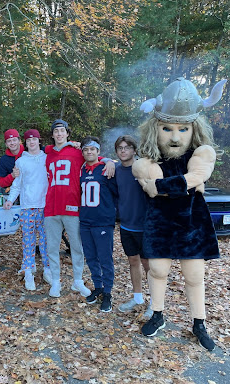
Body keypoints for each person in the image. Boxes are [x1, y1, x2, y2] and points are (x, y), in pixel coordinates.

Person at [132, 77, 226, 351]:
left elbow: (193, 177)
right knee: (158, 270)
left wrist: (160, 186)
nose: (175, 137)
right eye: (167, 128)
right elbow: (150, 185)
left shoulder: (202, 153)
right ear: (154, 129)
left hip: (191, 222)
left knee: (195, 275)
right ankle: (158, 314)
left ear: (194, 129)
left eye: (183, 129)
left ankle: (199, 323)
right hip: (160, 222)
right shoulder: (148, 160)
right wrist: (174, 186)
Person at [44, 119, 115, 298]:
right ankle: (56, 282)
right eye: (56, 131)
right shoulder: (48, 153)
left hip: (72, 207)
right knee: (52, 247)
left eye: (62, 131)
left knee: (77, 247)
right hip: (51, 207)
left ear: (68, 133)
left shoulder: (77, 152)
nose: (59, 134)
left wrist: (109, 161)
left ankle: (77, 281)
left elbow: (94, 158)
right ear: (52, 135)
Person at [3, 129, 51, 290]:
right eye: (28, 140)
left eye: (34, 139)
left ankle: (47, 269)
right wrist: (10, 200)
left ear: (39, 140)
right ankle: (29, 270)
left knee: (46, 240)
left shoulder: (47, 158)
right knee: (28, 240)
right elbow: (16, 184)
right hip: (27, 206)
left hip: (45, 206)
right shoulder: (21, 162)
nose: (32, 142)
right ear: (25, 143)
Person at [114, 135, 152, 319]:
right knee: (133, 262)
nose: (123, 150)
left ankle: (155, 303)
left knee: (148, 265)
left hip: (145, 226)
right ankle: (138, 298)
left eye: (127, 147)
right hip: (126, 225)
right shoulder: (116, 171)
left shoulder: (144, 169)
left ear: (134, 150)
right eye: (120, 148)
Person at [79, 137, 118, 312]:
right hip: (85, 221)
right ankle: (98, 286)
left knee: (105, 258)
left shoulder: (106, 168)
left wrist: (109, 161)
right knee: (91, 257)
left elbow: (117, 193)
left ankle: (108, 293)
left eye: (92, 149)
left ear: (98, 151)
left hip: (102, 222)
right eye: (86, 150)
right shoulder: (81, 170)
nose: (89, 152)